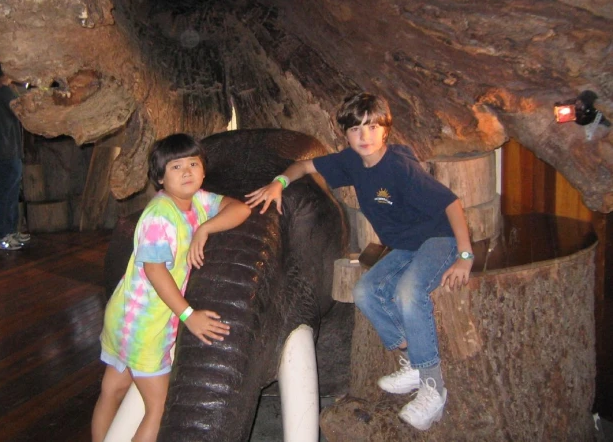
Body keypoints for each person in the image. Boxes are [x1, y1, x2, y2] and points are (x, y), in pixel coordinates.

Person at [246, 93, 473, 431]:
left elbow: (452, 203)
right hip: (404, 246)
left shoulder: (399, 167)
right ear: (346, 134)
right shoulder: (351, 162)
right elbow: (305, 166)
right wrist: (279, 183)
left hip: (439, 240)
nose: (364, 136)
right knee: (365, 291)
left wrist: (466, 256)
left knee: (409, 294)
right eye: (355, 129)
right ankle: (412, 357)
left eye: (372, 127)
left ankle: (433, 386)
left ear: (386, 130)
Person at [92, 133, 251, 442]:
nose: (187, 172)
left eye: (193, 163)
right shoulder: (159, 215)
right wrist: (189, 315)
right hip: (146, 326)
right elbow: (154, 270)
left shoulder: (199, 202)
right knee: (158, 406)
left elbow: (240, 208)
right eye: (176, 167)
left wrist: (205, 228)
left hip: (124, 314)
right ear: (160, 178)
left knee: (112, 389)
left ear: (204, 170)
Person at [0, 60, 29, 251]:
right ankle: (3, 234)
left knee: (10, 190)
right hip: (7, 148)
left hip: (0, 147)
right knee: (6, 193)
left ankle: (10, 231)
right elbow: (22, 110)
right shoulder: (3, 92)